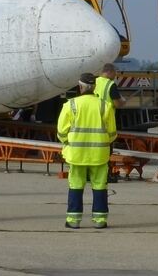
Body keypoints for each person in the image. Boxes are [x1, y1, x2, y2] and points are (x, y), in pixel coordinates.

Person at [57, 72, 117, 229]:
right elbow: (112, 134)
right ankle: (100, 221)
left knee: (76, 185)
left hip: (77, 155)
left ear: (80, 87)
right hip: (99, 155)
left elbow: (61, 132)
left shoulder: (70, 105)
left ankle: (73, 221)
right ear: (95, 87)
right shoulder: (105, 106)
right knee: (99, 186)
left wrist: (68, 143)